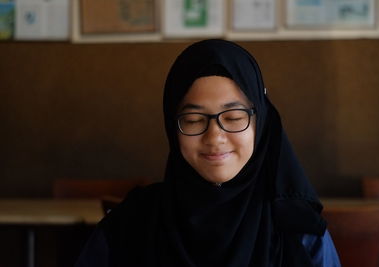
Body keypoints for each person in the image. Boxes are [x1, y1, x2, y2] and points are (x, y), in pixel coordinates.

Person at [75, 39, 340, 267]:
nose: (214, 137)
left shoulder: (298, 231)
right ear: (172, 126)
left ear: (261, 124)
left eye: (234, 117)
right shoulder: (130, 225)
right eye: (193, 120)